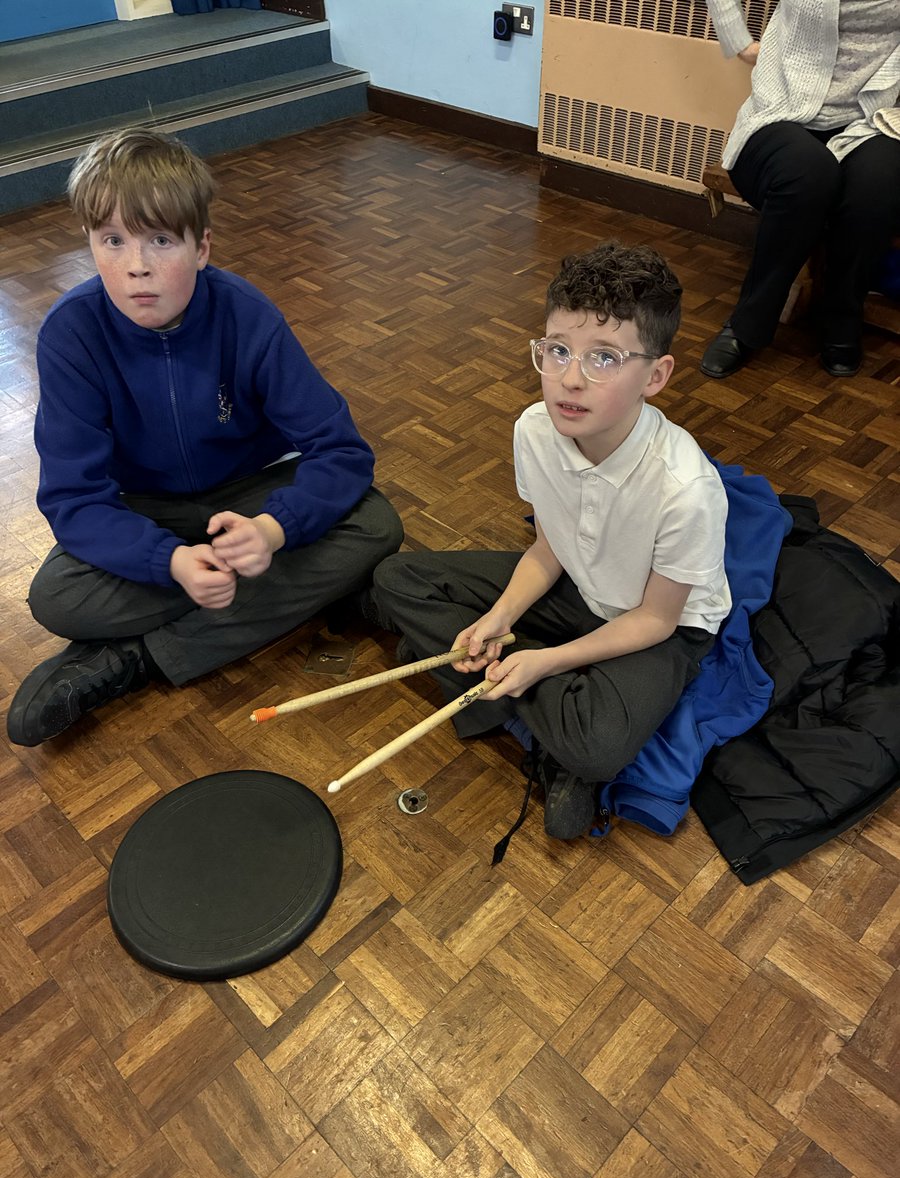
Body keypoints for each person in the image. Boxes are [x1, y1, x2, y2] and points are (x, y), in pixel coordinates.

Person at [6, 127, 403, 748]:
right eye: (112, 240)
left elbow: (342, 452)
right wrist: (168, 560)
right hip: (146, 509)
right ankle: (298, 593)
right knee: (55, 597)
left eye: (161, 240)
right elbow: (74, 499)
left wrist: (272, 529)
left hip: (249, 493)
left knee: (377, 525)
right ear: (89, 242)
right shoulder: (71, 333)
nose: (136, 265)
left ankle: (132, 659)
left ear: (202, 247)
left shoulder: (248, 315)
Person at [370, 241, 732, 840]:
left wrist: (546, 661)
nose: (569, 379)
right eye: (558, 350)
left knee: (598, 747)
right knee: (395, 580)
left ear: (656, 376)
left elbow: (657, 620)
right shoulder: (534, 429)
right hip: (578, 585)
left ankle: (520, 703)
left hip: (657, 626)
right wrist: (500, 616)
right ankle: (534, 698)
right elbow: (548, 547)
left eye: (605, 358)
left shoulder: (687, 490)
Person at [700, 0, 900, 380]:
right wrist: (740, 43)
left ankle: (842, 318)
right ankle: (748, 326)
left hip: (874, 117)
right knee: (809, 174)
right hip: (781, 111)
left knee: (877, 187)